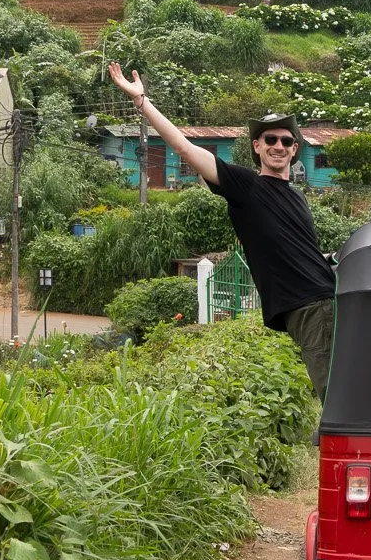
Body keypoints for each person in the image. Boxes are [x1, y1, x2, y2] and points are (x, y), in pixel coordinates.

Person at [108, 64, 336, 399]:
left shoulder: (298, 198)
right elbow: (185, 148)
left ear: (294, 150)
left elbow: (302, 251)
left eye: (286, 141)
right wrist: (142, 101)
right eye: (270, 139)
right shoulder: (246, 186)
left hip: (329, 300)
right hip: (309, 307)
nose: (278, 146)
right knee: (336, 394)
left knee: (349, 387)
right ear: (256, 146)